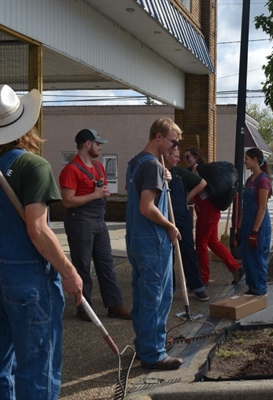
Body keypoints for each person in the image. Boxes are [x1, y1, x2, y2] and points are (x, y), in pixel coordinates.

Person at [0, 84, 83, 399]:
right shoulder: (33, 165)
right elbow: (37, 229)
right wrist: (68, 269)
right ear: (25, 126)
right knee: (37, 368)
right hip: (28, 280)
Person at [125, 117, 183, 370]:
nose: (174, 146)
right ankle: (153, 353)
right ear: (158, 137)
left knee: (143, 295)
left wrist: (163, 177)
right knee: (157, 298)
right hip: (153, 240)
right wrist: (170, 226)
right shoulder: (153, 167)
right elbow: (147, 207)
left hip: (136, 238)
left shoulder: (136, 162)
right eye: (172, 141)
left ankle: (145, 344)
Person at [58, 128, 131, 322]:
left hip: (99, 219)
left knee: (106, 263)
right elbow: (67, 201)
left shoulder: (98, 167)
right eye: (98, 143)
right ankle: (84, 307)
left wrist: (103, 193)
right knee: (82, 265)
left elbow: (99, 190)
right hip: (80, 220)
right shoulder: (71, 170)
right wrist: (95, 195)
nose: (100, 146)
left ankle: (114, 305)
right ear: (87, 144)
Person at [183, 148, 243, 286]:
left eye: (187, 157)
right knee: (212, 242)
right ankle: (235, 267)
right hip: (211, 211)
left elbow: (201, 187)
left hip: (207, 212)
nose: (185, 160)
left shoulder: (197, 170)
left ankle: (203, 279)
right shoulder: (200, 170)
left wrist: (187, 197)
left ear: (196, 158)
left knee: (201, 244)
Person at [165, 147, 209, 301]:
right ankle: (169, 288)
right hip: (165, 218)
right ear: (167, 155)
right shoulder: (158, 171)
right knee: (166, 254)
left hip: (182, 218)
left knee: (188, 251)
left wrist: (188, 196)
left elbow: (202, 183)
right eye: (176, 156)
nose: (178, 159)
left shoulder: (180, 173)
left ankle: (196, 286)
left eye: (180, 156)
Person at [238, 148, 272, 296]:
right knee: (246, 258)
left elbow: (262, 207)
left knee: (257, 258)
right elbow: (244, 207)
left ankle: (259, 290)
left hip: (259, 226)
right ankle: (252, 288)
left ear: (255, 160)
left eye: (247, 158)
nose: (244, 161)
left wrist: (255, 231)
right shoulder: (249, 180)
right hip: (246, 224)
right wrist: (239, 228)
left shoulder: (263, 180)